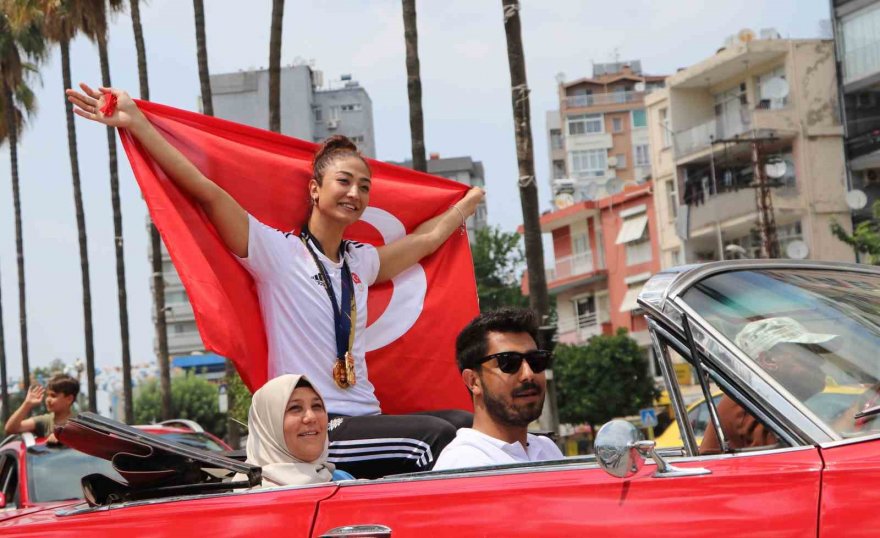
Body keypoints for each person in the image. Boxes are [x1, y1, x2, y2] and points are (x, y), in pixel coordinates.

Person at [65, 84, 480, 478]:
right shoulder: (277, 253)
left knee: (467, 427)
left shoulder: (362, 262)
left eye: (364, 186)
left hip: (366, 418)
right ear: (315, 191)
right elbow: (205, 191)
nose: (355, 192)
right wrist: (136, 122)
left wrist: (466, 205)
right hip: (318, 428)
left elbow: (426, 240)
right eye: (344, 182)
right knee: (434, 440)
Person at [433, 308, 564, 471]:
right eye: (508, 363)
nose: (528, 374)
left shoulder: (546, 449)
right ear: (473, 381)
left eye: (536, 360)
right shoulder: (465, 464)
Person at [700, 317, 838, 454]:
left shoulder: (771, 403)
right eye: (806, 353)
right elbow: (807, 459)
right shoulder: (753, 408)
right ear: (769, 360)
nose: (820, 361)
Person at [235, 374, 352, 488]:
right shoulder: (246, 497)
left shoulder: (344, 480)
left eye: (317, 406)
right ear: (268, 425)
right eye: (295, 408)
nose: (311, 417)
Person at [5, 374, 80, 444]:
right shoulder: (45, 421)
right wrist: (27, 404)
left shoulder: (80, 425)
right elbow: (11, 429)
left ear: (69, 399)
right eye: (47, 395)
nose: (48, 399)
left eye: (53, 396)